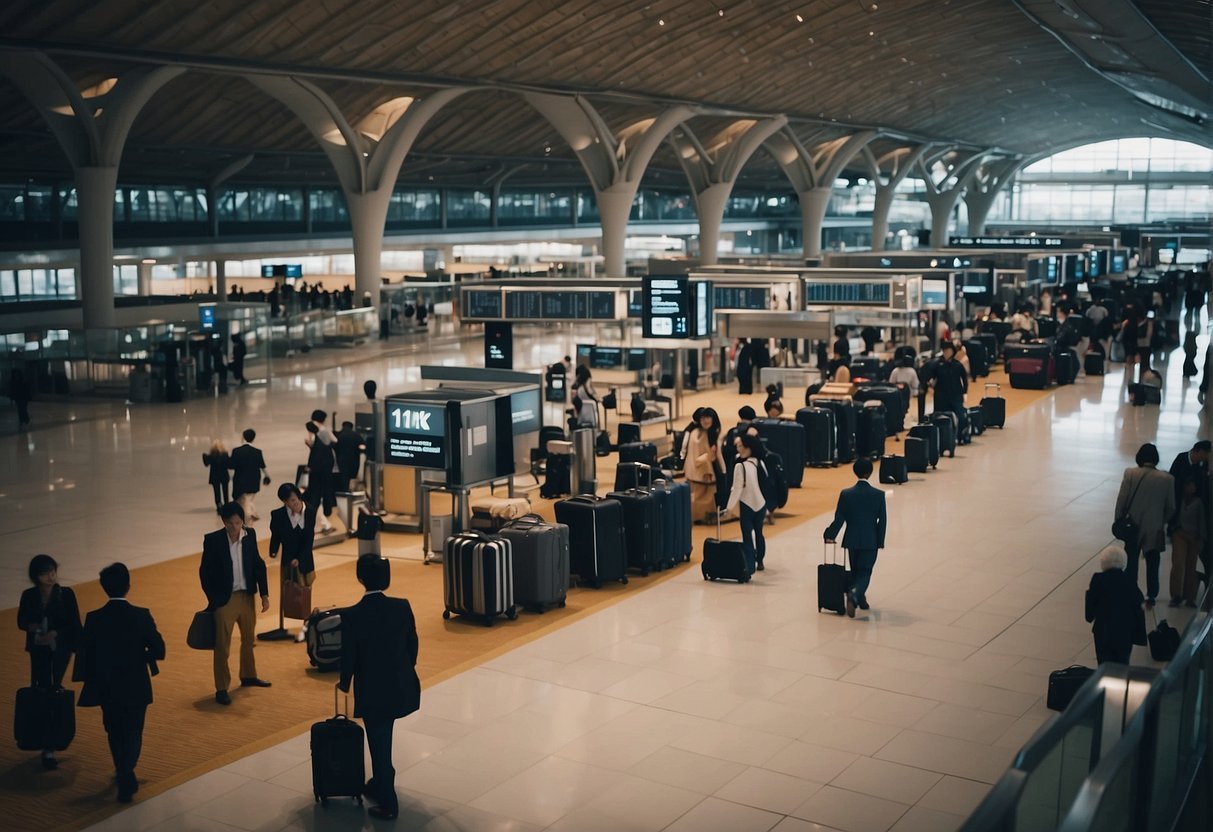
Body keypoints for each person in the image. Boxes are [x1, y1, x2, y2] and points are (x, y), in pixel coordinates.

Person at [73, 563, 165, 803]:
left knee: (114, 731)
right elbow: (159, 649)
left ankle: (123, 772)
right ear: (128, 586)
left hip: (107, 684)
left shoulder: (94, 619)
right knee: (134, 731)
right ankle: (127, 771)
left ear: (104, 588)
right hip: (136, 683)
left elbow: (86, 654)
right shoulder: (141, 615)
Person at [338, 555, 421, 821]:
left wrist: (344, 682)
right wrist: (406, 668)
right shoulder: (401, 606)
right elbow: (413, 644)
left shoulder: (352, 615)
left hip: (374, 691)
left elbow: (349, 656)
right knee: (384, 738)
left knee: (379, 745)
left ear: (360, 579)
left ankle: (389, 802)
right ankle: (379, 783)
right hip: (400, 684)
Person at [200, 503, 271, 705]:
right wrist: (213, 600)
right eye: (230, 523)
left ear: (243, 521)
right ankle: (221, 688)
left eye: (238, 522)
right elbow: (205, 572)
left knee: (249, 639)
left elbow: (258, 564)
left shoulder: (250, 536)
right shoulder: (213, 540)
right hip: (225, 599)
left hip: (247, 596)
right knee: (222, 645)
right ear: (223, 522)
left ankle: (248, 675)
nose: (235, 527)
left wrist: (264, 594)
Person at [17, 554, 81, 770]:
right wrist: (33, 627)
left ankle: (50, 746)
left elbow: (74, 624)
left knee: (53, 688)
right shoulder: (29, 596)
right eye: (46, 572)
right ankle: (45, 741)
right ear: (36, 576)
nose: (51, 576)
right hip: (38, 650)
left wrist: (54, 633)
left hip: (60, 649)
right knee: (41, 688)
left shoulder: (65, 594)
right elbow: (21, 621)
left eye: (53, 571)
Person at [823, 458, 888, 618]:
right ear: (870, 473)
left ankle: (861, 599)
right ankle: (853, 594)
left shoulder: (846, 494)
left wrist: (829, 535)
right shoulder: (878, 495)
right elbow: (883, 520)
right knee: (865, 572)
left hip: (851, 540)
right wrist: (879, 541)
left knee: (855, 571)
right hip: (870, 540)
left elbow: (839, 519)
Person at [1114, 443, 1175, 607]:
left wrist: (1118, 519)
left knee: (1131, 561)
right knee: (1153, 562)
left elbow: (1122, 500)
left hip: (1132, 526)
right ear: (1156, 459)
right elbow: (1171, 507)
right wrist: (1161, 521)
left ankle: (1131, 592)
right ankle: (1152, 595)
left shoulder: (1131, 473)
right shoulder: (1167, 479)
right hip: (1154, 528)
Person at [269, 484, 318, 639]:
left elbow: (308, 540)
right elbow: (275, 535)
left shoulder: (310, 511)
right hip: (288, 560)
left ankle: (306, 625)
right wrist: (273, 551)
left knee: (305, 592)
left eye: (294, 500)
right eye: (288, 502)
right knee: (288, 591)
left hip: (304, 560)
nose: (292, 505)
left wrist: (300, 558)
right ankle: (283, 625)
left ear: (299, 497)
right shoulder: (278, 515)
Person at [1084, 545, 1146, 665]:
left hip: (1103, 632)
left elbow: (1089, 613)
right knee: (1121, 667)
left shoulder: (1098, 579)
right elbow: (1138, 606)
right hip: (1124, 634)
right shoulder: (1129, 580)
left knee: (1104, 666)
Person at [727, 433, 769, 572]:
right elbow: (765, 483)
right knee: (759, 532)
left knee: (747, 535)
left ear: (748, 448)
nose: (738, 449)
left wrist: (729, 508)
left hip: (746, 505)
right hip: (761, 504)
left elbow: (737, 489)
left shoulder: (740, 466)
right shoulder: (760, 463)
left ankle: (750, 565)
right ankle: (760, 561)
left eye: (741, 446)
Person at [683, 407, 724, 524]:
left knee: (701, 496)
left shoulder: (700, 433)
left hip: (699, 471)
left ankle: (702, 516)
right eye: (703, 418)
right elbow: (699, 456)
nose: (705, 421)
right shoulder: (698, 435)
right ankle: (703, 517)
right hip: (703, 472)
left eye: (708, 418)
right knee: (701, 496)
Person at [1169, 477, 1206, 607]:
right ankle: (1176, 595)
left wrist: (1201, 538)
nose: (1190, 487)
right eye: (1188, 485)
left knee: (1191, 567)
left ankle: (1190, 597)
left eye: (1192, 485)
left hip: (1194, 537)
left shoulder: (1199, 502)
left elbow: (1201, 522)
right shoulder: (1180, 499)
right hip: (1179, 533)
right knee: (1178, 564)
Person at [305, 411, 337, 533]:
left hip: (317, 477)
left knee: (314, 501)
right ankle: (324, 524)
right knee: (315, 501)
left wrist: (310, 468)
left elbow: (315, 460)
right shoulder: (322, 444)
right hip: (322, 475)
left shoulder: (318, 445)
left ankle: (321, 525)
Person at [229, 429, 270, 523]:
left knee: (244, 502)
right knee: (248, 500)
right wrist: (267, 476)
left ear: (243, 437)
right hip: (254, 480)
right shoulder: (257, 452)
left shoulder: (236, 451)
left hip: (240, 481)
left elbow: (231, 466)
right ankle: (252, 514)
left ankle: (248, 519)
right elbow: (262, 466)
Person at [930, 341, 969, 432]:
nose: (946, 353)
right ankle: (941, 436)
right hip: (940, 395)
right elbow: (931, 377)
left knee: (960, 415)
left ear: (952, 351)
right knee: (939, 417)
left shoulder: (958, 365)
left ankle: (961, 434)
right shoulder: (937, 365)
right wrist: (930, 386)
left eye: (948, 350)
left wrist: (965, 392)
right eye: (944, 351)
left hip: (956, 395)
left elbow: (964, 379)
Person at [334, 420, 366, 492]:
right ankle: (349, 489)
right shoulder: (356, 435)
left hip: (340, 459)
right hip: (353, 459)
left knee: (343, 475)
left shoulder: (338, 434)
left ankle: (343, 490)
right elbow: (363, 447)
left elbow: (333, 446)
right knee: (350, 476)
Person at [888, 358, 919, 429]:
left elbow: (890, 383)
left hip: (895, 394)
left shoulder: (895, 371)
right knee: (904, 408)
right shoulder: (912, 371)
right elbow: (915, 384)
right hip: (907, 394)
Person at [202, 440, 231, 513]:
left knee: (216, 491)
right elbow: (228, 464)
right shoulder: (225, 454)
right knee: (225, 491)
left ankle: (219, 505)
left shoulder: (211, 456)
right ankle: (226, 504)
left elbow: (206, 463)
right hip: (224, 475)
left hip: (215, 475)